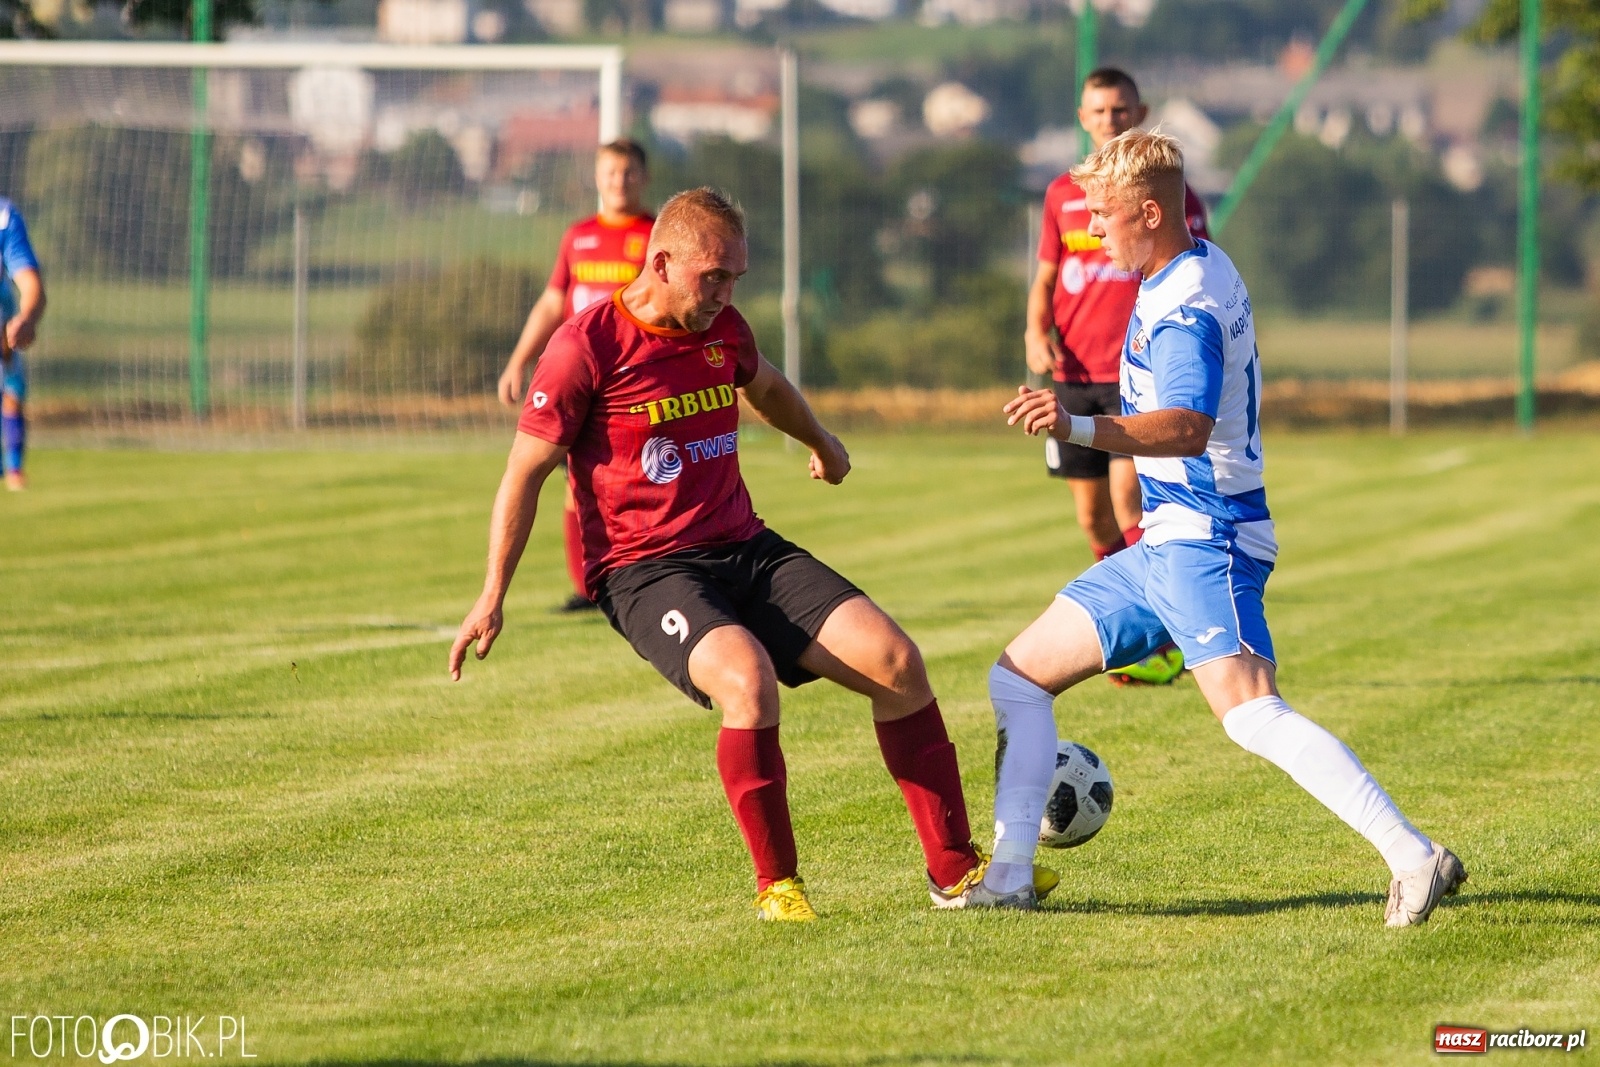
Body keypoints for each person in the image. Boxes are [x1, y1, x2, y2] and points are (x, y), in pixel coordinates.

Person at [451, 187, 1055, 921]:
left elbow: (765, 384)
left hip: (744, 546)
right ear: (662, 262)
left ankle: (955, 873)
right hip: (646, 570)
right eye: (713, 276)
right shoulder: (585, 347)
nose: (726, 294)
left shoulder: (723, 328)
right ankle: (779, 886)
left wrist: (821, 441)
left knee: (897, 663)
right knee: (749, 681)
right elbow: (524, 473)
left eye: (736, 277)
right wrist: (493, 593)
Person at [971, 130, 1465, 926]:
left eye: (1103, 214)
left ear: (1150, 213)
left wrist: (1076, 426)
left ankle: (1414, 855)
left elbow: (1187, 427)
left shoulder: (1184, 309)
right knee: (1019, 676)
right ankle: (1009, 875)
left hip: (1208, 536)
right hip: (1165, 540)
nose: (1090, 232)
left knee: (1251, 711)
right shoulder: (1196, 262)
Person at [1025, 68, 1210, 686]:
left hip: (1134, 375)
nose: (1111, 120)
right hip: (1074, 373)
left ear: (1141, 113)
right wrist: (1035, 331)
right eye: (1100, 111)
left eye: (1121, 110)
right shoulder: (1062, 194)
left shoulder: (1171, 197)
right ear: (1083, 118)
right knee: (1093, 519)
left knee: (1129, 500)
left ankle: (1159, 632)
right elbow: (1046, 277)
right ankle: (1130, 626)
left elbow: (1196, 269)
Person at [497, 139, 655, 612]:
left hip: (633, 379)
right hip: (581, 379)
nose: (619, 181)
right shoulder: (578, 236)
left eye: (628, 172)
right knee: (575, 484)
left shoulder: (655, 236)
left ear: (644, 177)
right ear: (597, 177)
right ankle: (587, 588)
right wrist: (519, 360)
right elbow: (553, 301)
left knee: (642, 479)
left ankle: (650, 574)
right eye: (610, 172)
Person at [1, 196, 44, 493]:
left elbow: (31, 284)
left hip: (3, 316)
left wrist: (26, 320)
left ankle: (14, 468)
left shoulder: (3, 217)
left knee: (12, 391)